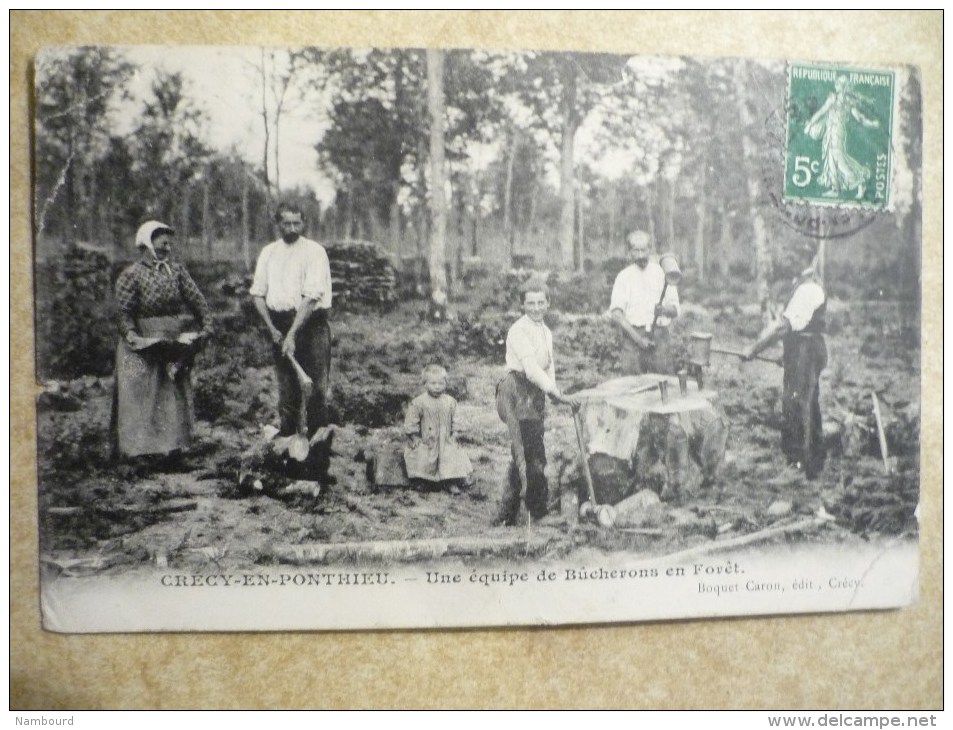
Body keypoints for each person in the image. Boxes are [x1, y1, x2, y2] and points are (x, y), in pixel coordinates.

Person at [111, 220, 212, 460]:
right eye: (162, 243)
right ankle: (139, 454)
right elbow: (123, 313)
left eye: (170, 244)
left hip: (170, 341)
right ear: (147, 242)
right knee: (141, 396)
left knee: (172, 394)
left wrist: (206, 326)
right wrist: (132, 335)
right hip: (141, 344)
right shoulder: (131, 275)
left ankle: (172, 451)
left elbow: (198, 302)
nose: (167, 248)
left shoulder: (177, 271)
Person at [250, 202, 334, 484]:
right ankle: (288, 459)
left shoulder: (314, 252)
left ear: (304, 223)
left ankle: (317, 464)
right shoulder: (269, 253)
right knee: (287, 395)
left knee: (316, 391)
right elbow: (258, 294)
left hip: (310, 325)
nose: (292, 229)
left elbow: (311, 297)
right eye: (286, 224)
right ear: (278, 224)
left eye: (297, 223)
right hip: (280, 326)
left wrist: (293, 335)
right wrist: (273, 329)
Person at [495, 280, 576, 526]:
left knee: (533, 447)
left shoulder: (546, 331)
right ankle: (531, 510)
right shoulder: (518, 330)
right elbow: (530, 369)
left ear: (548, 303)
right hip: (516, 391)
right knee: (525, 451)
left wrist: (555, 392)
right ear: (522, 305)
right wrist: (553, 391)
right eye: (530, 303)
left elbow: (548, 367)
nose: (536, 307)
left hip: (535, 393)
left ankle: (514, 508)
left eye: (541, 302)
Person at [743, 258, 827, 479]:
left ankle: (800, 466)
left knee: (798, 404)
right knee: (804, 402)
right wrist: (786, 354)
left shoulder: (808, 289)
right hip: (802, 350)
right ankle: (812, 462)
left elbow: (783, 327)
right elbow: (800, 326)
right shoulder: (802, 286)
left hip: (806, 352)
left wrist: (755, 348)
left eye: (790, 259)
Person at [609, 230, 680, 375]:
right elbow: (616, 314)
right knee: (630, 386)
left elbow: (675, 309)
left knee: (663, 384)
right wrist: (637, 339)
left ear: (650, 250)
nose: (641, 254)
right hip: (633, 339)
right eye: (636, 250)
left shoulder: (663, 273)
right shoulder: (623, 277)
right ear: (630, 252)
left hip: (660, 338)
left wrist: (664, 310)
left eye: (644, 249)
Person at [805, 75, 880, 200]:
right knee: (831, 159)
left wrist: (872, 124)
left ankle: (859, 181)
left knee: (839, 159)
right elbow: (859, 118)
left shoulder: (835, 99)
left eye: (839, 84)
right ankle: (835, 189)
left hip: (836, 132)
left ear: (843, 86)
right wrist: (872, 124)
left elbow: (822, 112)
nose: (836, 85)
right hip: (832, 131)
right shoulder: (846, 101)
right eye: (837, 83)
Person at [403, 364, 473, 489]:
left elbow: (457, 419)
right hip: (427, 438)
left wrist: (455, 434)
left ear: (446, 383)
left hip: (446, 439)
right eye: (433, 383)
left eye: (441, 383)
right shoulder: (419, 402)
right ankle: (423, 481)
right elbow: (411, 421)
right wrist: (414, 437)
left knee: (452, 454)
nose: (437, 387)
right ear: (425, 384)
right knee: (422, 455)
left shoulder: (450, 401)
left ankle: (450, 482)